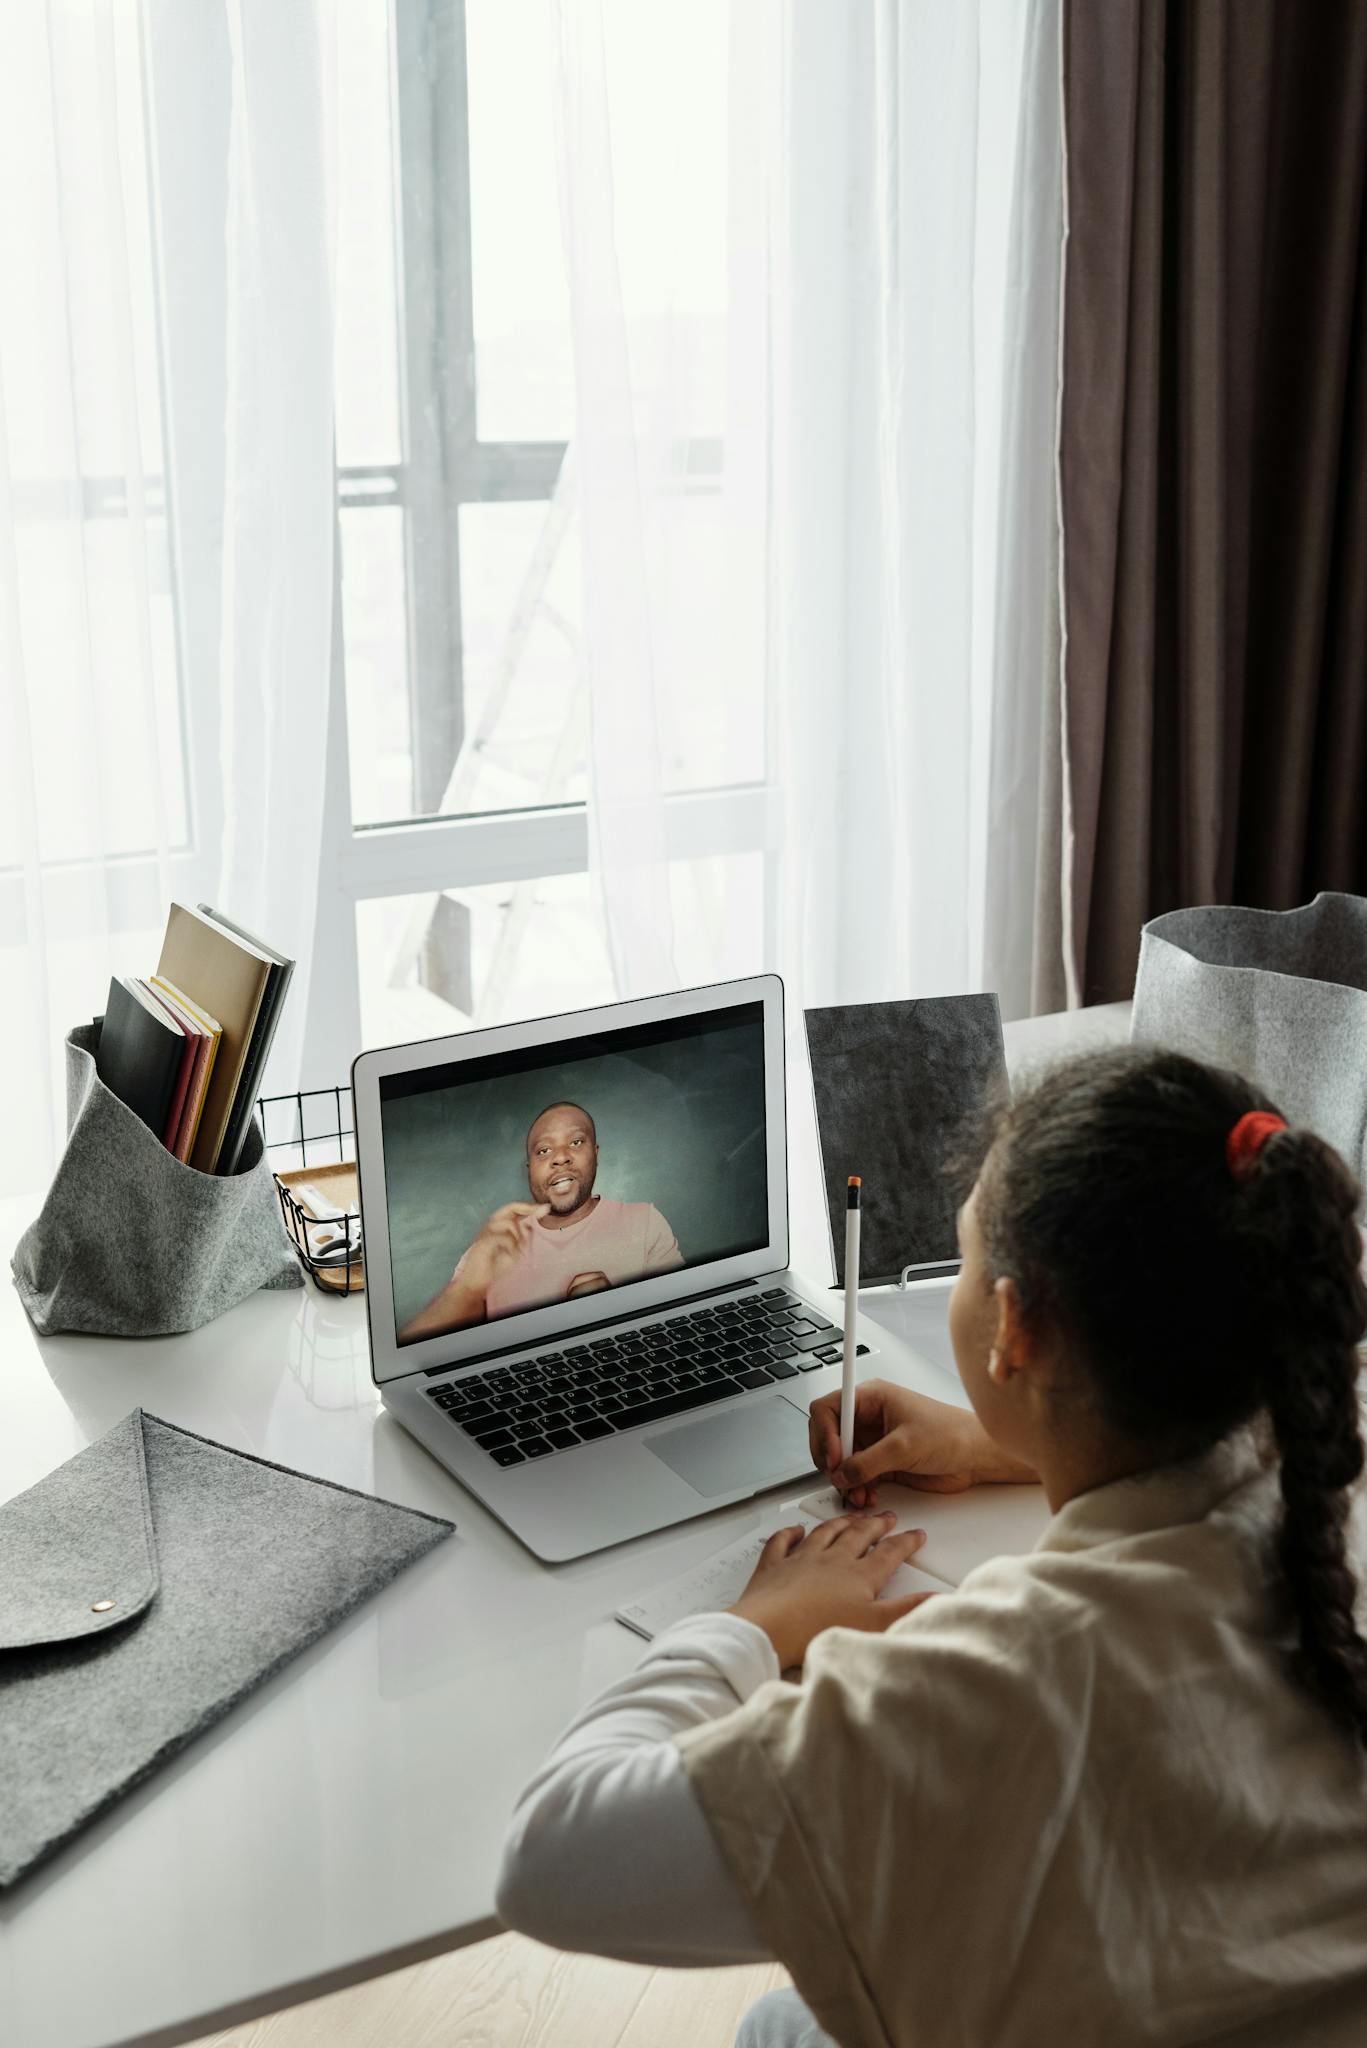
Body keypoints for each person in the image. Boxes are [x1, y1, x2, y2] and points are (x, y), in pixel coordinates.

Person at [497, 1048, 1367, 2046]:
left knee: (774, 2032)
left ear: (1010, 1328)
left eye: (963, 1259)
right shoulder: (1327, 1454)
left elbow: (550, 1855)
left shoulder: (985, 1684)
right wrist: (1002, 1435)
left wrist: (754, 1622)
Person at [400, 1100, 683, 1340]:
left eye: (575, 1142)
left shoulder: (644, 1222)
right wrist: (467, 1288)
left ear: (595, 1154)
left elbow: (679, 1330)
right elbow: (426, 1356)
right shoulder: (493, 1247)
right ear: (529, 1168)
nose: (561, 1158)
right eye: (544, 1151)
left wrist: (609, 1310)